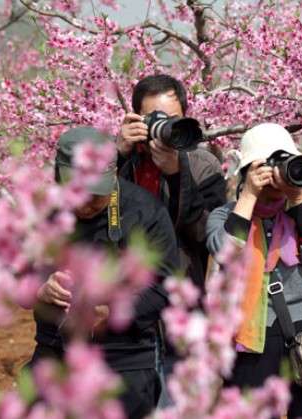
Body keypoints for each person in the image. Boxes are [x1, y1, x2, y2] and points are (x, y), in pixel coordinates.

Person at [28, 126, 179, 419]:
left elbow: (164, 288)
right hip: (55, 351)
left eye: (96, 195)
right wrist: (41, 288)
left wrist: (111, 311)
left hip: (124, 358)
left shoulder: (145, 211)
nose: (86, 203)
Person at [206, 123, 302, 419]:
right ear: (245, 171)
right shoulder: (225, 215)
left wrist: (299, 198)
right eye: (265, 165)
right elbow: (227, 252)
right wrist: (249, 196)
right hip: (251, 337)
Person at [116, 74, 227, 405]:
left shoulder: (202, 162)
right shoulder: (122, 161)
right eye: (155, 119)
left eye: (172, 119)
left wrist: (178, 175)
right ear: (136, 117)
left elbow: (208, 235)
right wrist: (117, 155)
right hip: (128, 309)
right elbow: (91, 212)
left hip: (183, 306)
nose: (164, 127)